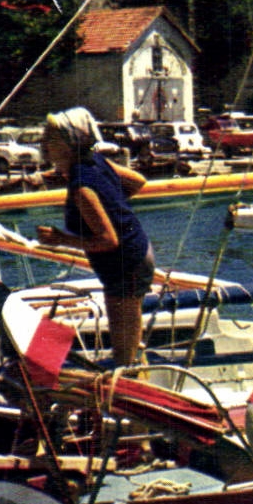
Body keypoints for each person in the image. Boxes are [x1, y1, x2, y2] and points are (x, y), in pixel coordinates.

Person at [34, 107, 155, 366]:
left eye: (50, 139)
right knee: (128, 342)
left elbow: (108, 240)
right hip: (134, 254)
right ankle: (130, 374)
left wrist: (60, 239)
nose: (44, 144)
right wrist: (114, 205)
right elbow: (137, 181)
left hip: (125, 264)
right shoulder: (95, 161)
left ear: (68, 145)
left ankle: (127, 387)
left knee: (124, 351)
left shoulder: (81, 187)